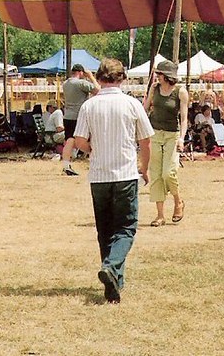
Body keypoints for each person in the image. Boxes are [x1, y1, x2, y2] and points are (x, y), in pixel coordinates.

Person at [72, 58, 153, 303]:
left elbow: (79, 141)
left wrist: (93, 149)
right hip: (125, 174)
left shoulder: (89, 106)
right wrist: (144, 167)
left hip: (99, 176)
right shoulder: (131, 104)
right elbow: (146, 140)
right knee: (126, 228)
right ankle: (111, 267)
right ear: (122, 78)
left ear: (100, 77)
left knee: (105, 230)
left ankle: (115, 280)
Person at [143, 60, 187, 226]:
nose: (157, 77)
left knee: (168, 173)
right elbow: (146, 108)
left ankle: (178, 201)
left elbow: (183, 119)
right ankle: (160, 215)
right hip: (154, 133)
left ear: (167, 76)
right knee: (156, 175)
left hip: (172, 135)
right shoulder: (154, 89)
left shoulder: (180, 92)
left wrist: (182, 138)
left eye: (159, 74)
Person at [60, 63, 99, 176]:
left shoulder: (66, 83)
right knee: (90, 138)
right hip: (79, 116)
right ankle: (95, 161)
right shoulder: (81, 83)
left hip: (67, 115)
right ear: (81, 72)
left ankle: (66, 165)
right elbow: (98, 90)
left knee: (69, 140)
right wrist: (91, 77)